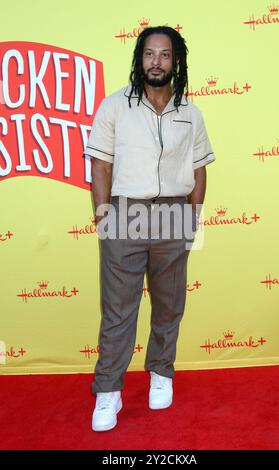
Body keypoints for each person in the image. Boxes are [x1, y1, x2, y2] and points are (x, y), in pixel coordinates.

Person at [84, 26, 216, 432]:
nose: (155, 62)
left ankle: (161, 371)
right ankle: (108, 392)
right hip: (125, 213)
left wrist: (192, 217)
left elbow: (198, 169)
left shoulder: (189, 113)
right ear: (139, 59)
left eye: (164, 55)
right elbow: (101, 165)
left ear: (176, 61)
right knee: (119, 310)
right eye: (149, 54)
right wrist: (105, 215)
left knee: (170, 304)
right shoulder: (114, 107)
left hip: (174, 215)